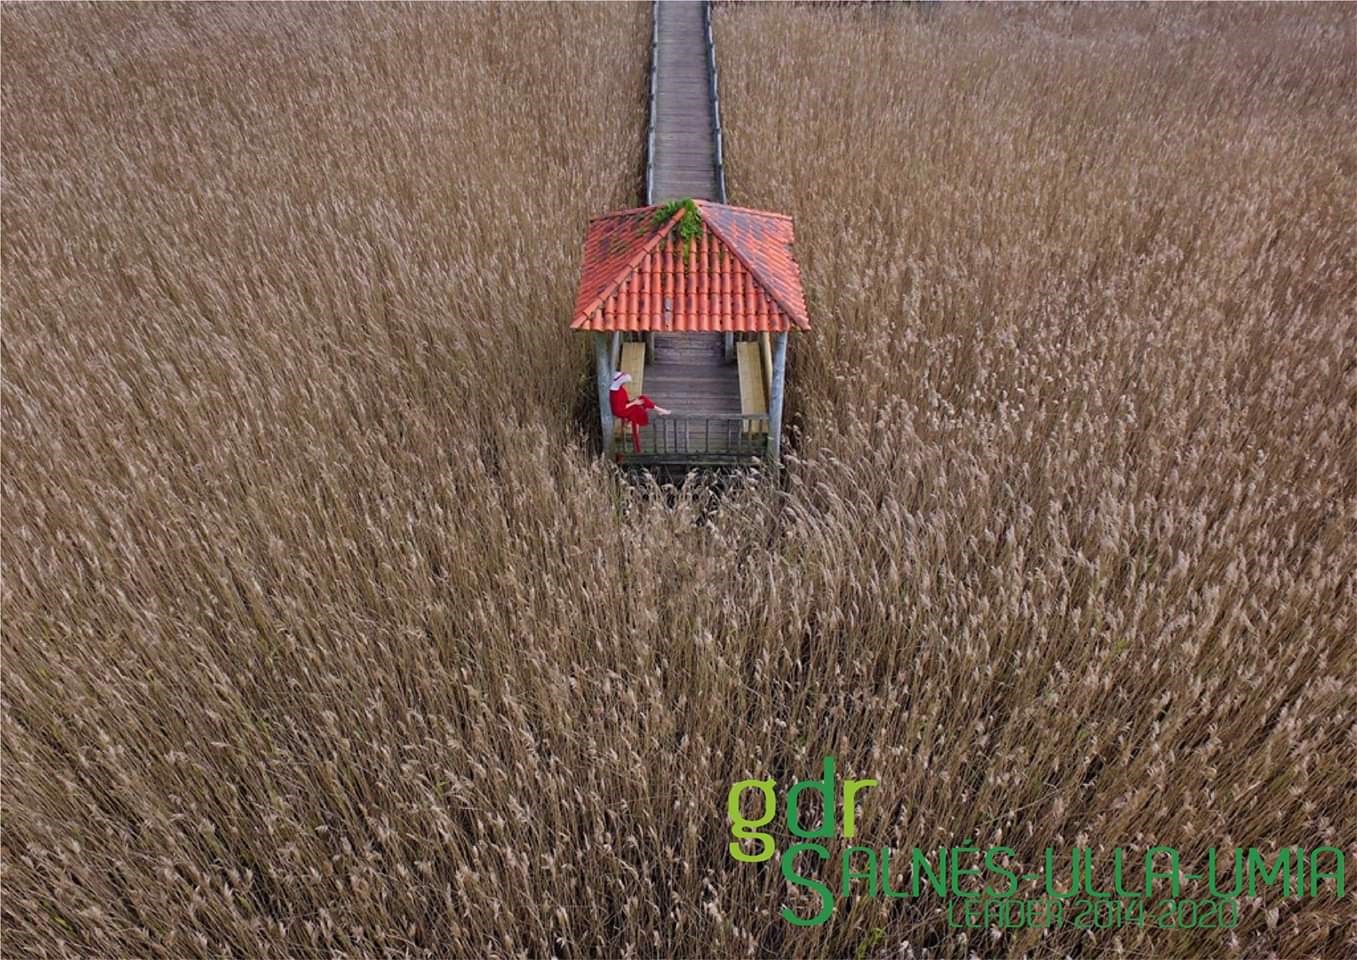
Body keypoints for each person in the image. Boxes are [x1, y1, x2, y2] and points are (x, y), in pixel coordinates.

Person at [609, 371, 670, 453]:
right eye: (624, 381)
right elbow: (619, 408)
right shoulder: (615, 393)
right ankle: (637, 448)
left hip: (626, 407)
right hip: (620, 411)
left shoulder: (620, 389)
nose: (625, 383)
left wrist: (634, 402)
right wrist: (634, 403)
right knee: (638, 410)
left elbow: (625, 402)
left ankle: (659, 410)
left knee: (642, 399)